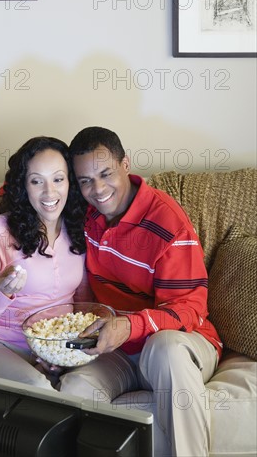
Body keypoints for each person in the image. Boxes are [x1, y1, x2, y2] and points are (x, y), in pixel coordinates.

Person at [63, 126, 223, 457]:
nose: (98, 189)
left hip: (181, 341)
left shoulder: (166, 222)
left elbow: (191, 308)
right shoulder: (84, 211)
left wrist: (131, 326)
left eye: (105, 173)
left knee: (164, 348)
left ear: (126, 164)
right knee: (75, 386)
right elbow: (33, 178)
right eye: (85, 181)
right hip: (117, 349)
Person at [0, 135, 135, 393]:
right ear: (23, 186)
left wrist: (64, 355)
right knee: (37, 389)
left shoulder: (79, 229)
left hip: (54, 348)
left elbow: (81, 307)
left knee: (78, 390)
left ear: (70, 184)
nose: (49, 192)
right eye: (36, 181)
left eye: (58, 179)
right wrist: (3, 290)